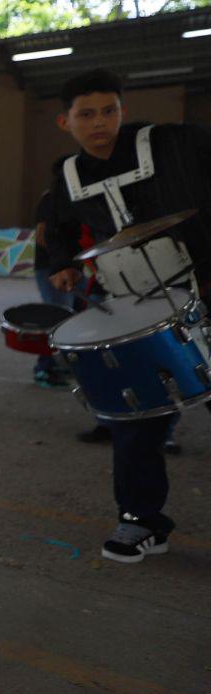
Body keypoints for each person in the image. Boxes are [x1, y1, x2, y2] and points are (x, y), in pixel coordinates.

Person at [45, 68, 211, 563]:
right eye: (87, 114)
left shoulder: (176, 143)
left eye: (110, 110)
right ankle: (141, 521)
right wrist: (60, 267)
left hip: (201, 291)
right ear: (65, 121)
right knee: (136, 416)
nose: (101, 122)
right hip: (132, 306)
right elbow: (55, 226)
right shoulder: (66, 175)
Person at [31, 185, 74, 388]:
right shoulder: (51, 199)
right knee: (56, 320)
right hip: (52, 268)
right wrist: (62, 258)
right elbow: (41, 236)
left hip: (65, 267)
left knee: (66, 319)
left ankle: (60, 364)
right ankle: (44, 369)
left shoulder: (69, 199)